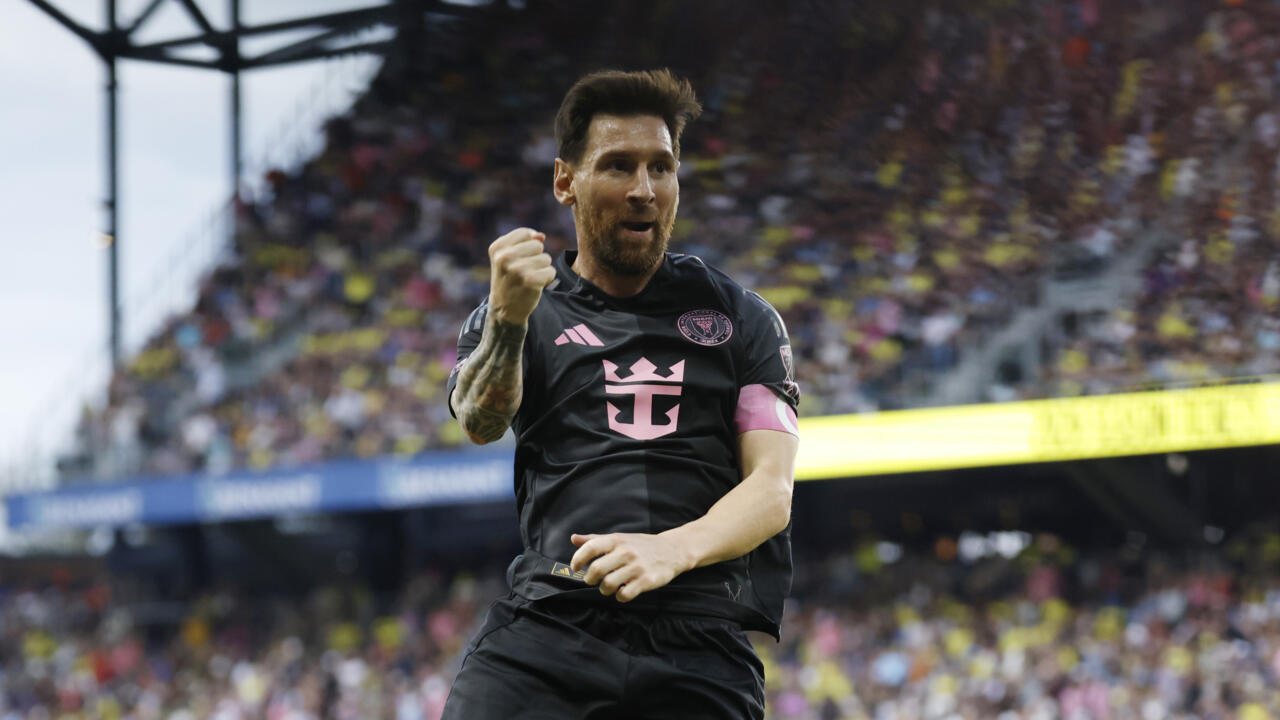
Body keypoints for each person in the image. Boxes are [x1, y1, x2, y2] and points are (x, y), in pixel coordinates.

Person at [443, 68, 800, 719]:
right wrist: (508, 322)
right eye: (618, 166)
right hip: (550, 622)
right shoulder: (520, 311)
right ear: (566, 182)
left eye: (661, 167)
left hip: (698, 639)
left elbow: (772, 491)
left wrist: (671, 549)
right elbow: (479, 421)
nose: (643, 190)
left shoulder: (743, 318)